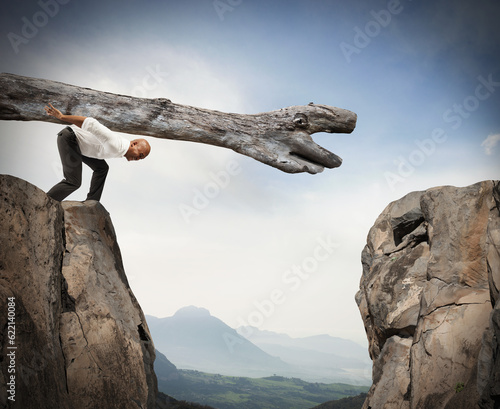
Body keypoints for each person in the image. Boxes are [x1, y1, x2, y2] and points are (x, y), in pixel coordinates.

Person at [44, 103, 151, 202]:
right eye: (140, 155)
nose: (138, 159)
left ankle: (91, 203)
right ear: (134, 144)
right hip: (70, 138)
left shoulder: (121, 149)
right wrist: (62, 117)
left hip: (80, 146)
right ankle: (43, 201)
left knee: (102, 168)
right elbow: (91, 123)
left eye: (141, 159)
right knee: (73, 181)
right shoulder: (116, 145)